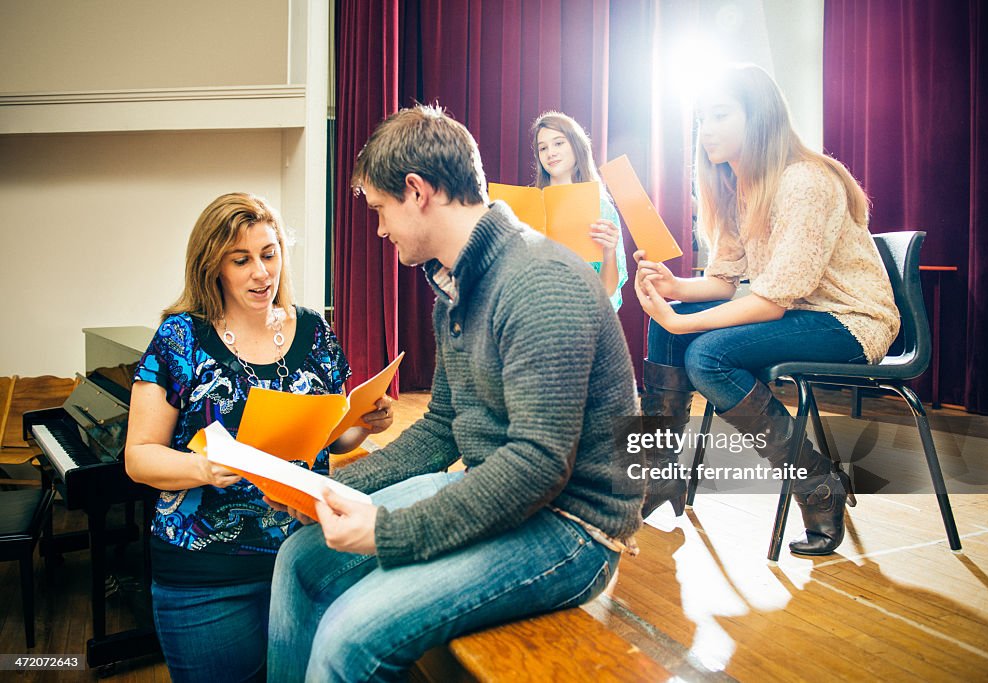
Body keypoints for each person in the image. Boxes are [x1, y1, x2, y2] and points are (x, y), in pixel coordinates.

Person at [266, 105, 641, 682]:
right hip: (503, 490)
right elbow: (443, 425)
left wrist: (388, 532)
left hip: (573, 527)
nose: (380, 229)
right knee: (300, 559)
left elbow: (540, 466)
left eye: (380, 210)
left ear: (416, 191)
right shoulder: (456, 287)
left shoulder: (540, 281)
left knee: (349, 636)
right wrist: (326, 488)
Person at [124, 192, 393, 683]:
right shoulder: (179, 338)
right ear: (213, 266)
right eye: (241, 259)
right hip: (206, 576)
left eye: (269, 254)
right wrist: (203, 468)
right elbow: (139, 457)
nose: (261, 273)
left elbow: (333, 439)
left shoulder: (315, 331)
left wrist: (364, 422)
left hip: (306, 560)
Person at [634, 64, 899, 555]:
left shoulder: (804, 181)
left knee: (706, 355)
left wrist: (681, 318)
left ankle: (817, 483)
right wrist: (675, 289)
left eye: (719, 115)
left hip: (851, 321)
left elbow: (774, 300)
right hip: (801, 313)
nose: (705, 129)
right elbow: (723, 280)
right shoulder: (738, 188)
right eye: (701, 118)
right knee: (670, 328)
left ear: (758, 118)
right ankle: (660, 473)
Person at [532, 111, 629, 310]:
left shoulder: (601, 208)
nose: (550, 153)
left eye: (558, 143)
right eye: (543, 148)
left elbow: (608, 290)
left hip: (581, 316)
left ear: (577, 146)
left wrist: (609, 252)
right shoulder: (528, 205)